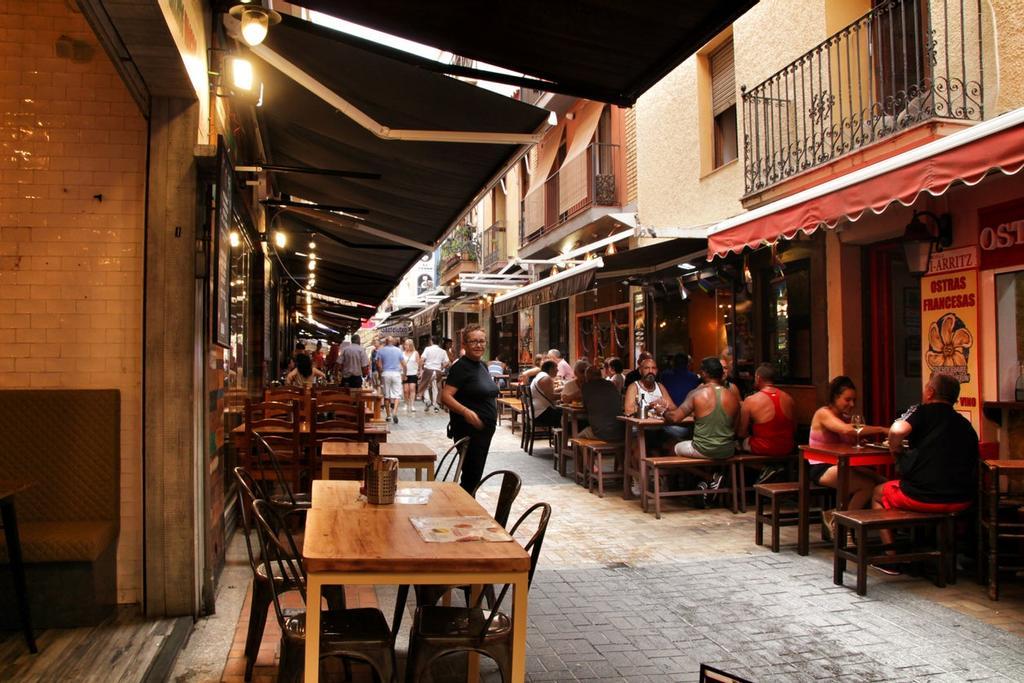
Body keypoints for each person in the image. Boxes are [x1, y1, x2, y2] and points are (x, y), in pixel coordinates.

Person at [871, 374, 978, 572]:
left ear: (930, 392)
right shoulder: (965, 424)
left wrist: (896, 449)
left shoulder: (922, 411)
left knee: (878, 492)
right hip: (962, 500)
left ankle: (892, 558)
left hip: (923, 497)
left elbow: (896, 431)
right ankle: (942, 553)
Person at [809, 376, 889, 531]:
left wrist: (859, 443)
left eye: (854, 400)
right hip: (822, 466)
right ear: (835, 397)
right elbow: (848, 430)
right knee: (866, 486)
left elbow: (850, 440)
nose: (852, 404)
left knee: (882, 481)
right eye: (847, 400)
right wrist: (881, 429)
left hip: (843, 464)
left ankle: (839, 517)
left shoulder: (845, 418)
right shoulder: (823, 413)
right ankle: (842, 527)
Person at [442, 325, 499, 492]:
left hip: (484, 432)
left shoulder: (482, 365)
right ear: (464, 344)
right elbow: (445, 396)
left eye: (482, 341)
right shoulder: (460, 367)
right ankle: (465, 512)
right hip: (469, 431)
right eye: (473, 341)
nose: (478, 345)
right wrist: (466, 412)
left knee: (474, 477)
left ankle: (467, 511)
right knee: (470, 478)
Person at [665, 357, 740, 460]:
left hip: (703, 450)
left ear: (704, 373)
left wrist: (663, 412)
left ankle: (676, 476)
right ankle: (709, 474)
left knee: (673, 446)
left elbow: (674, 418)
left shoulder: (697, 394)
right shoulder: (733, 396)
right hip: (727, 451)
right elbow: (735, 426)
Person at [737, 363, 796, 456]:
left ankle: (761, 468)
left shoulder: (750, 400)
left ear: (758, 378)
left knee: (739, 443)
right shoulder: (788, 398)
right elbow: (794, 427)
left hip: (763, 448)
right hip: (787, 447)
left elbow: (741, 432)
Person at [577, 365, 625, 443]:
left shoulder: (586, 386)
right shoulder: (611, 385)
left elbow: (585, 407)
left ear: (587, 376)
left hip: (601, 433)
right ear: (600, 375)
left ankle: (588, 455)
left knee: (578, 438)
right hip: (620, 430)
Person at [377, 336, 405, 423]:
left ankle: (388, 415)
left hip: (386, 373)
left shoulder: (381, 351)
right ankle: (395, 412)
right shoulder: (398, 350)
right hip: (396, 374)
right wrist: (405, 374)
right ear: (393, 342)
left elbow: (378, 364)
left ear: (385, 342)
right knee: (397, 395)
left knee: (386, 396)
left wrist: (381, 372)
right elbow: (404, 363)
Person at [418, 336, 449, 412]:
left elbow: (422, 359)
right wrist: (442, 367)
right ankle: (436, 406)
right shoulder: (443, 351)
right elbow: (447, 362)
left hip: (428, 370)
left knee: (425, 386)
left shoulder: (427, 349)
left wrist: (421, 369)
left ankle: (427, 400)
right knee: (435, 388)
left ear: (431, 341)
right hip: (437, 371)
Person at [529, 360, 563, 427]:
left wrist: (562, 389)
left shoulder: (541, 375)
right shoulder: (546, 378)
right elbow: (552, 397)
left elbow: (546, 392)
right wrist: (567, 395)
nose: (558, 370)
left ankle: (560, 436)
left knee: (562, 412)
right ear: (551, 369)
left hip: (536, 412)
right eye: (556, 367)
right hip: (541, 414)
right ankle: (565, 436)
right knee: (567, 416)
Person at [401, 338, 420, 414]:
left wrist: (419, 371)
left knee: (412, 389)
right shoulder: (402, 353)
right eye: (405, 344)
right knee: (406, 391)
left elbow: (418, 363)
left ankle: (412, 405)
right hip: (405, 374)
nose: (405, 346)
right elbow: (400, 363)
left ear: (411, 345)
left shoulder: (415, 353)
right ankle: (406, 404)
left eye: (407, 344)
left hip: (413, 373)